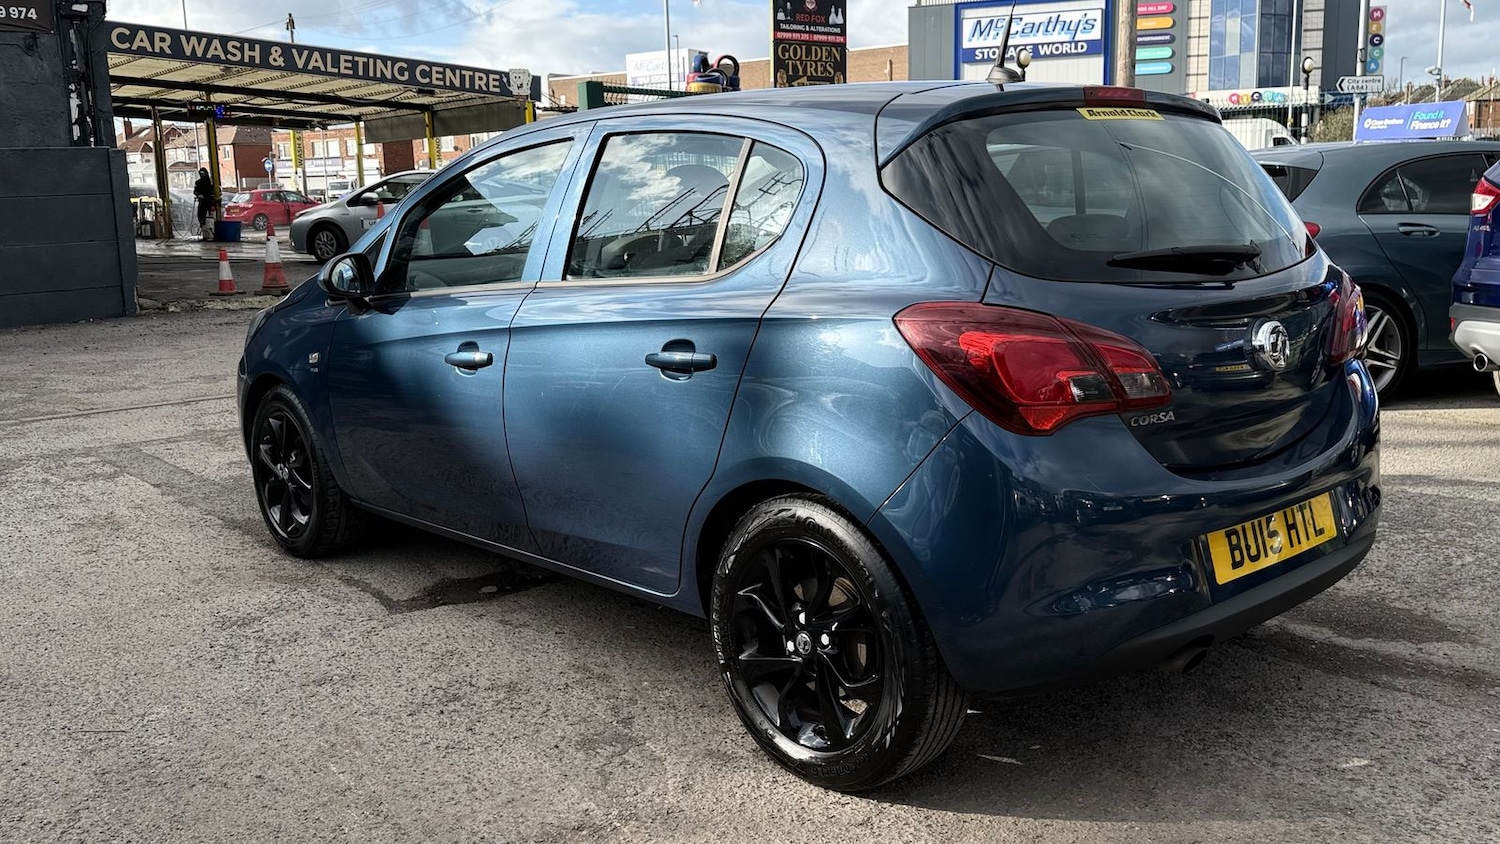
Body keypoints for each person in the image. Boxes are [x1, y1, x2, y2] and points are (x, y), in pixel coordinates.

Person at [193, 168, 216, 232]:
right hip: (202, 202)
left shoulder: (210, 182)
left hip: (210, 201)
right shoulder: (198, 182)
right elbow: (195, 191)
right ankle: (203, 228)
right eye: (201, 173)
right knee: (200, 215)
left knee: (212, 216)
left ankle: (212, 230)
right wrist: (198, 195)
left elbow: (214, 190)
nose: (202, 175)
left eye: (203, 173)